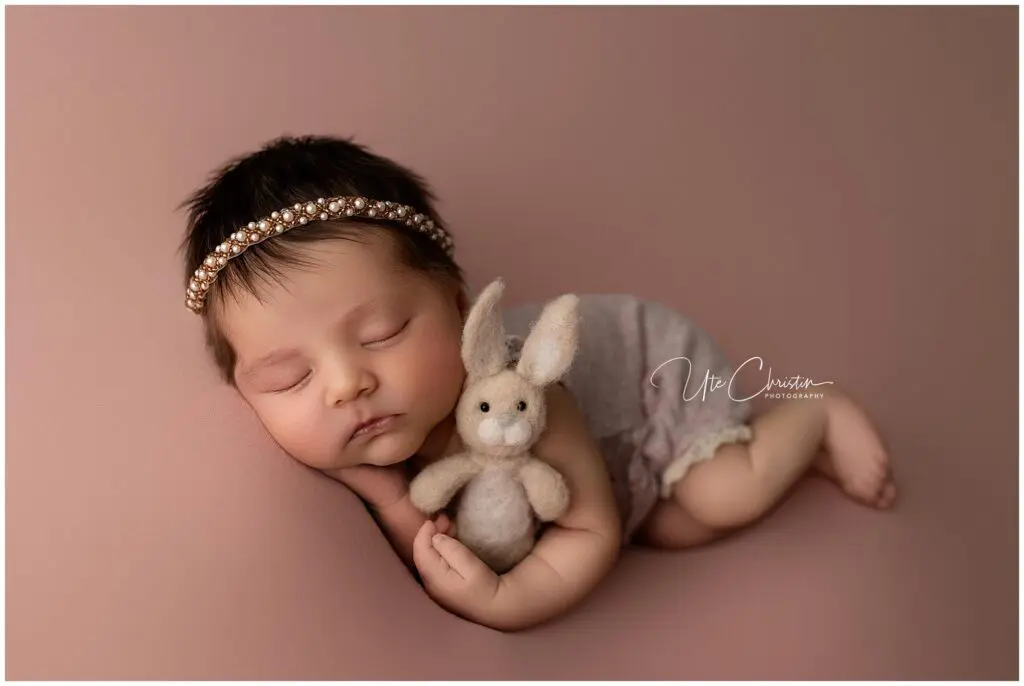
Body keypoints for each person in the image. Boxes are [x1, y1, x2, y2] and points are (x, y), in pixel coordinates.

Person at [179, 134, 896, 632]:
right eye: (288, 377)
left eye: (382, 336)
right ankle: (798, 457)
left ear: (462, 311)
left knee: (720, 496)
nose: (345, 385)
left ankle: (815, 413)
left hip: (651, 386)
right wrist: (383, 493)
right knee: (676, 531)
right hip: (604, 463)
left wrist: (505, 599)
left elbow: (590, 531)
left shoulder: (523, 395)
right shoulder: (370, 431)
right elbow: (438, 534)